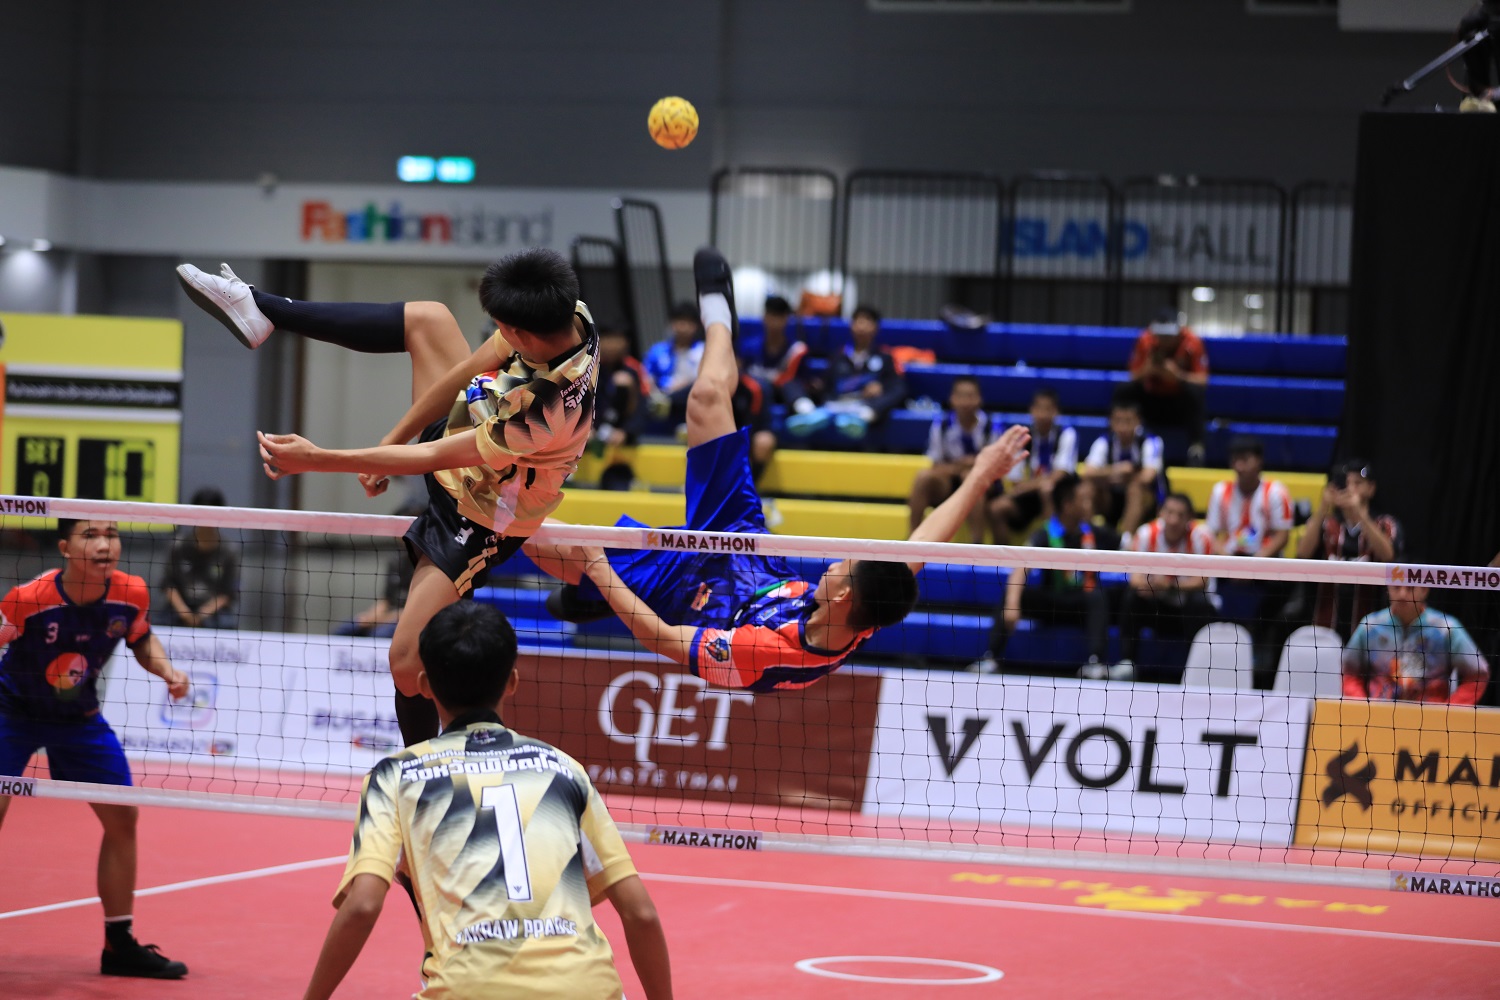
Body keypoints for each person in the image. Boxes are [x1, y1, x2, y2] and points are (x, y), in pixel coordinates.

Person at [531, 247, 1031, 692]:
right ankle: (719, 316)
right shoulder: (873, 600)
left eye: (841, 568)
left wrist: (601, 569)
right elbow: (927, 539)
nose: (832, 564)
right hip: (747, 548)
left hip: (684, 597)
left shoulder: (773, 652)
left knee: (561, 543)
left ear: (844, 594)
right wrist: (983, 473)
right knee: (706, 399)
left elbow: (662, 639)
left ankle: (519, 526)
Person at [177, 249, 597, 748]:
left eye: (501, 328)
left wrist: (319, 458)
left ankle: (418, 767)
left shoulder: (545, 411)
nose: (497, 333)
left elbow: (434, 457)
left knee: (405, 663)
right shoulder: (573, 317)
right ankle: (261, 307)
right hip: (473, 428)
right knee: (429, 319)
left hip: (480, 513)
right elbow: (468, 371)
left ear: (521, 333)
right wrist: (391, 440)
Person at [302, 601, 672, 1000]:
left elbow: (362, 907)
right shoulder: (563, 769)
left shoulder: (394, 776)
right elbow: (641, 913)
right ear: (512, 681)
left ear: (424, 685)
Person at [0, 519, 190, 979]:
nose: (105, 545)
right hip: (12, 712)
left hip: (79, 719)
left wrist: (167, 671)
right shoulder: (28, 598)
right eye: (90, 536)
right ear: (65, 547)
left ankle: (118, 944)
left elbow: (140, 639)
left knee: (123, 818)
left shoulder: (131, 592)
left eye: (111, 534)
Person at [971, 474, 1121, 679]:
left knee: (1098, 596)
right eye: (1084, 500)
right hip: (1051, 601)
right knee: (1011, 594)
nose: (1089, 505)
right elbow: (1021, 567)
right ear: (1068, 505)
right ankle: (990, 658)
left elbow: (1127, 544)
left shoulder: (1095, 532)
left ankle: (1096, 662)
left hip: (1080, 603)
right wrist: (1013, 604)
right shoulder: (1045, 533)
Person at [1206, 435, 1294, 684]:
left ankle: (1262, 649)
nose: (1239, 465)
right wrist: (1231, 563)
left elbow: (1282, 536)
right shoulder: (1220, 491)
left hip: (1264, 563)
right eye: (1235, 459)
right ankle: (1219, 653)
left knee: (1282, 590)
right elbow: (1212, 535)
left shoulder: (1276, 492)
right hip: (1230, 561)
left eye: (1245, 459)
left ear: (1259, 461)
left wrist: (1253, 565)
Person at [1295, 459, 1403, 638]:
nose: (1350, 489)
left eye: (1357, 483)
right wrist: (1323, 508)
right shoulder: (1325, 525)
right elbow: (1302, 553)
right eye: (1346, 484)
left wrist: (1360, 514)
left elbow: (1389, 556)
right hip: (1324, 630)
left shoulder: (1385, 524)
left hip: (1370, 631)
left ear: (1371, 488)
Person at [1115, 492, 1217, 680]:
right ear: (1160, 513)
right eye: (1169, 512)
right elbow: (1134, 578)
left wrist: (1169, 585)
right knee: (1131, 597)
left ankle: (1196, 670)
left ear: (1189, 518)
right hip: (1157, 607)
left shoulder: (1201, 537)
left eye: (1180, 515)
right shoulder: (1146, 534)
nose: (1173, 520)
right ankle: (1127, 662)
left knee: (1199, 603)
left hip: (1187, 608)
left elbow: (1202, 580)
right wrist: (1150, 586)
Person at [1342, 584, 1490, 704]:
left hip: (1432, 720)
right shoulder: (1370, 626)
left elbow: (1478, 674)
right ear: (1388, 589)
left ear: (1424, 590)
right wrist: (1362, 707)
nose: (1402, 594)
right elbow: (1348, 672)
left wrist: (1451, 712)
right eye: (1396, 587)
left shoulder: (1446, 628)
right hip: (1377, 717)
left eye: (1410, 588)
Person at [784, 305, 908, 441]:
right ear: (851, 326)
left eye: (867, 322)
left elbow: (897, 387)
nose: (862, 327)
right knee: (789, 383)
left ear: (875, 328)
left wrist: (881, 387)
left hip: (865, 407)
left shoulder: (886, 357)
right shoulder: (838, 355)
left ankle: (862, 418)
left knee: (899, 390)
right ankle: (807, 412)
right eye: (858, 321)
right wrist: (817, 386)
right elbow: (826, 385)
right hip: (834, 405)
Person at [1115, 307, 1209, 466]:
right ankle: (1117, 441)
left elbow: (1203, 380)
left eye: (1168, 336)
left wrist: (1178, 376)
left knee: (1195, 392)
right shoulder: (1145, 340)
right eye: (1160, 335)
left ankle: (1196, 449)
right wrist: (1147, 370)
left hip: (1178, 404)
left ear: (1178, 332)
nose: (1164, 340)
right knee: (1124, 389)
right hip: (1151, 402)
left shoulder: (1193, 341)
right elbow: (1133, 376)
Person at [907, 375, 996, 542]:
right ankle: (912, 539)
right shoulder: (941, 426)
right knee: (923, 477)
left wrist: (971, 469)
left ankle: (977, 543)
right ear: (952, 399)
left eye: (970, 396)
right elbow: (936, 465)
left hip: (983, 486)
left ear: (979, 399)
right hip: (949, 482)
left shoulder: (992, 427)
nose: (965, 402)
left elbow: (994, 467)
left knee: (971, 478)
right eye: (960, 396)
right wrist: (962, 465)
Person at [988, 387, 1078, 544]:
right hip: (1028, 495)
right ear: (1032, 410)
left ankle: (1052, 550)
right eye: (1039, 409)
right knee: (996, 508)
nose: (1043, 414)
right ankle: (1003, 557)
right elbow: (1015, 482)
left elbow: (1060, 474)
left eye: (1048, 409)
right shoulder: (1022, 437)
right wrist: (1032, 485)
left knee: (1047, 490)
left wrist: (1033, 485)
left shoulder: (1067, 434)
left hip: (1057, 494)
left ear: (1056, 412)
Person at [159, 486, 240, 629]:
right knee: (158, 622)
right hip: (180, 607)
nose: (206, 520)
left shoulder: (229, 551)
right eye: (202, 513)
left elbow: (228, 593)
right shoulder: (178, 545)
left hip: (213, 611)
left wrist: (201, 615)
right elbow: (168, 585)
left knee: (227, 623)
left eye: (211, 514)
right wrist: (185, 613)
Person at [1083, 400, 1165, 535]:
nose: (1123, 427)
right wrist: (1118, 470)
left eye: (1128, 421)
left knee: (1135, 488)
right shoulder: (1104, 441)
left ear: (1138, 421)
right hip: (1111, 499)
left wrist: (1119, 477)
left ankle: (1125, 541)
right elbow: (1087, 473)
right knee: (1087, 488)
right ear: (1111, 422)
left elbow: (1147, 477)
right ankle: (1088, 537)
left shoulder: (1151, 441)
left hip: (1146, 502)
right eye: (1118, 421)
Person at [593, 326, 653, 491]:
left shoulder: (633, 369)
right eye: (607, 339)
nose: (611, 345)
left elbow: (642, 407)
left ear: (625, 342)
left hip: (622, 442)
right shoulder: (587, 368)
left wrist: (626, 431)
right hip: (589, 439)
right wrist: (586, 429)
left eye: (616, 339)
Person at [642, 302, 704, 420]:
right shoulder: (657, 350)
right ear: (671, 323)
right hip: (660, 401)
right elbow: (647, 377)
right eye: (680, 321)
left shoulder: (703, 350)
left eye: (689, 322)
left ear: (697, 326)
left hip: (691, 400)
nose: (684, 327)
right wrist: (655, 394)